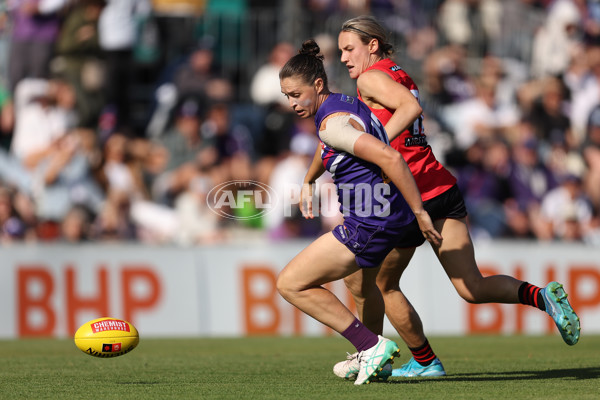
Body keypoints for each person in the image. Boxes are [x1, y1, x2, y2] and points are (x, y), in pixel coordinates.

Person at [299, 15, 580, 379]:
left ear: (372, 45)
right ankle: (542, 297)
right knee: (471, 286)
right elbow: (360, 129)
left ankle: (406, 358)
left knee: (380, 283)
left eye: (349, 49)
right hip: (442, 186)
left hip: (410, 193)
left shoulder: (370, 78)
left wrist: (374, 146)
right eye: (340, 51)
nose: (344, 58)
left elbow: (407, 112)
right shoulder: (398, 72)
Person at [276, 39, 443, 385]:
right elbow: (330, 148)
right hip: (387, 214)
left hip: (370, 223)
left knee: (291, 283)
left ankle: (370, 347)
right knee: (358, 282)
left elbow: (390, 157)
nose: (291, 103)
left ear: (317, 85)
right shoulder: (342, 104)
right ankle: (375, 359)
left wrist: (421, 212)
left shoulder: (330, 123)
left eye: (295, 95)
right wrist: (308, 180)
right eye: (287, 96)